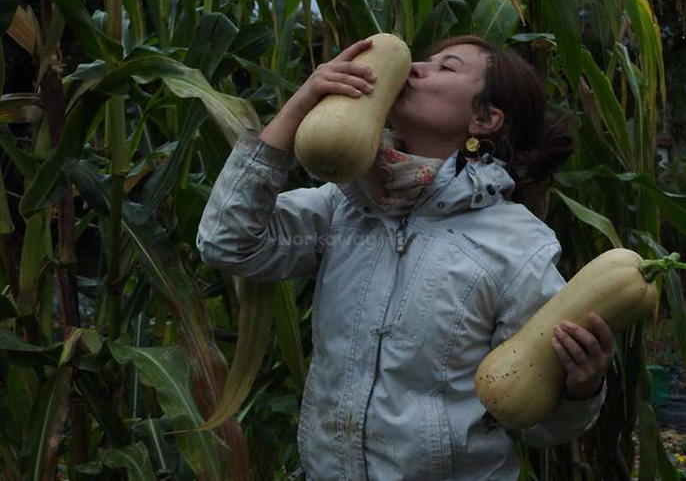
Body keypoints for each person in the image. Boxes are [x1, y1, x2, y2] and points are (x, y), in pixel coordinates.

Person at [196, 35, 614, 481]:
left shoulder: (519, 247)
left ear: (484, 118)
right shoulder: (343, 204)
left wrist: (581, 389)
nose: (414, 68)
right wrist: (299, 107)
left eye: (446, 67)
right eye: (424, 60)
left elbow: (532, 419)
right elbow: (227, 242)